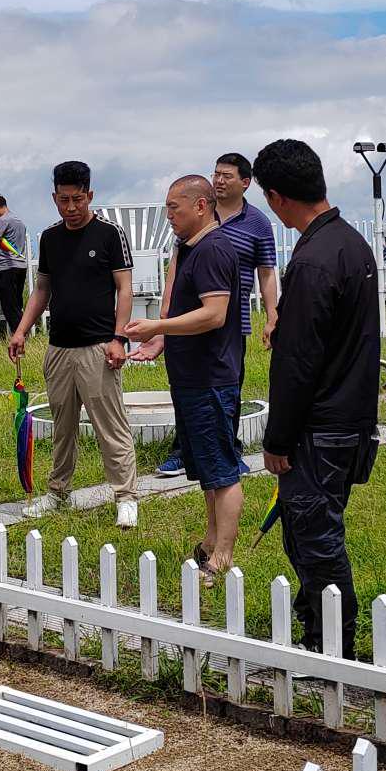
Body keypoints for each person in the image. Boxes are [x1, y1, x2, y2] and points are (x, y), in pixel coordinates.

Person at [255, 138, 380, 650]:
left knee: (315, 540)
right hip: (349, 419)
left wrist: (277, 438)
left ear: (278, 196)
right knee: (316, 530)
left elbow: (297, 361)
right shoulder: (352, 243)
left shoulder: (311, 261)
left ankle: (332, 644)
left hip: (316, 428)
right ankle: (319, 634)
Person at [8, 162, 138, 528]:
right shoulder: (50, 238)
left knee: (110, 426)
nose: (70, 207)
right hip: (59, 348)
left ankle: (126, 496)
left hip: (99, 347)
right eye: (63, 200)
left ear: (90, 196)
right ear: (54, 198)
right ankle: (57, 491)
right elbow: (42, 290)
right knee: (61, 426)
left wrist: (119, 338)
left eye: (77, 199)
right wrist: (20, 330)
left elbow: (124, 290)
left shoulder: (110, 234)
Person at [124, 175, 243, 577]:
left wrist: (158, 329)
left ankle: (222, 556)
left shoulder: (213, 249)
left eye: (175, 207)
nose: (169, 215)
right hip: (191, 376)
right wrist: (162, 340)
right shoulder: (189, 248)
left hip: (212, 377)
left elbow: (214, 315)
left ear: (201, 206)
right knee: (206, 467)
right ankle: (210, 539)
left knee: (223, 469)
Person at [147, 152, 280, 476]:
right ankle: (184, 451)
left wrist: (273, 314)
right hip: (185, 323)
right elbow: (174, 274)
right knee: (187, 386)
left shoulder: (256, 223)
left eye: (227, 175)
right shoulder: (195, 220)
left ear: (245, 183)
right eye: (216, 174)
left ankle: (227, 455)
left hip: (229, 321)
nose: (220, 180)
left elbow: (266, 272)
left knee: (225, 387)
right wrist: (163, 327)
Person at [0, 194, 31, 335]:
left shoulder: (2, 220)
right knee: (17, 304)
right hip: (20, 266)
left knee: (8, 305)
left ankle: (19, 335)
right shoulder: (19, 221)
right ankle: (24, 333)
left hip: (6, 266)